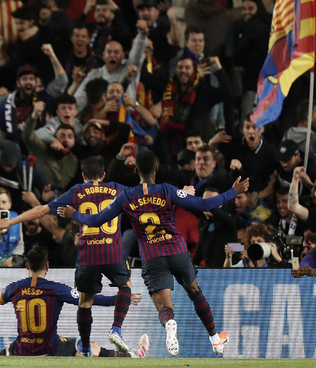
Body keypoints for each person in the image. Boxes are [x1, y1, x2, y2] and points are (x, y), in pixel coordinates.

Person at [59, 150, 249, 356]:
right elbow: (205, 204)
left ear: (136, 170)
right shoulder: (167, 190)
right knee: (195, 291)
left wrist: (74, 214)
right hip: (176, 250)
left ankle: (169, 323)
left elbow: (97, 220)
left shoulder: (127, 196)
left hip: (152, 255)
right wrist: (233, 191)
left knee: (163, 304)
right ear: (157, 168)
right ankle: (214, 339)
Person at [0, 156, 131, 355]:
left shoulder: (77, 191)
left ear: (83, 175)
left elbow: (41, 210)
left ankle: (85, 347)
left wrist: (11, 221)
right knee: (126, 287)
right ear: (103, 175)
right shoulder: (118, 188)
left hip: (88, 257)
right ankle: (116, 328)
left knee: (85, 302)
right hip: (113, 253)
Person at [0, 246, 149, 358]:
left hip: (24, 349)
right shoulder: (57, 289)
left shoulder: (15, 288)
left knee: (18, 344)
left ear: (26, 266)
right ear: (47, 266)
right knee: (88, 346)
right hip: (50, 348)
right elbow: (89, 300)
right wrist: (120, 299)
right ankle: (131, 355)